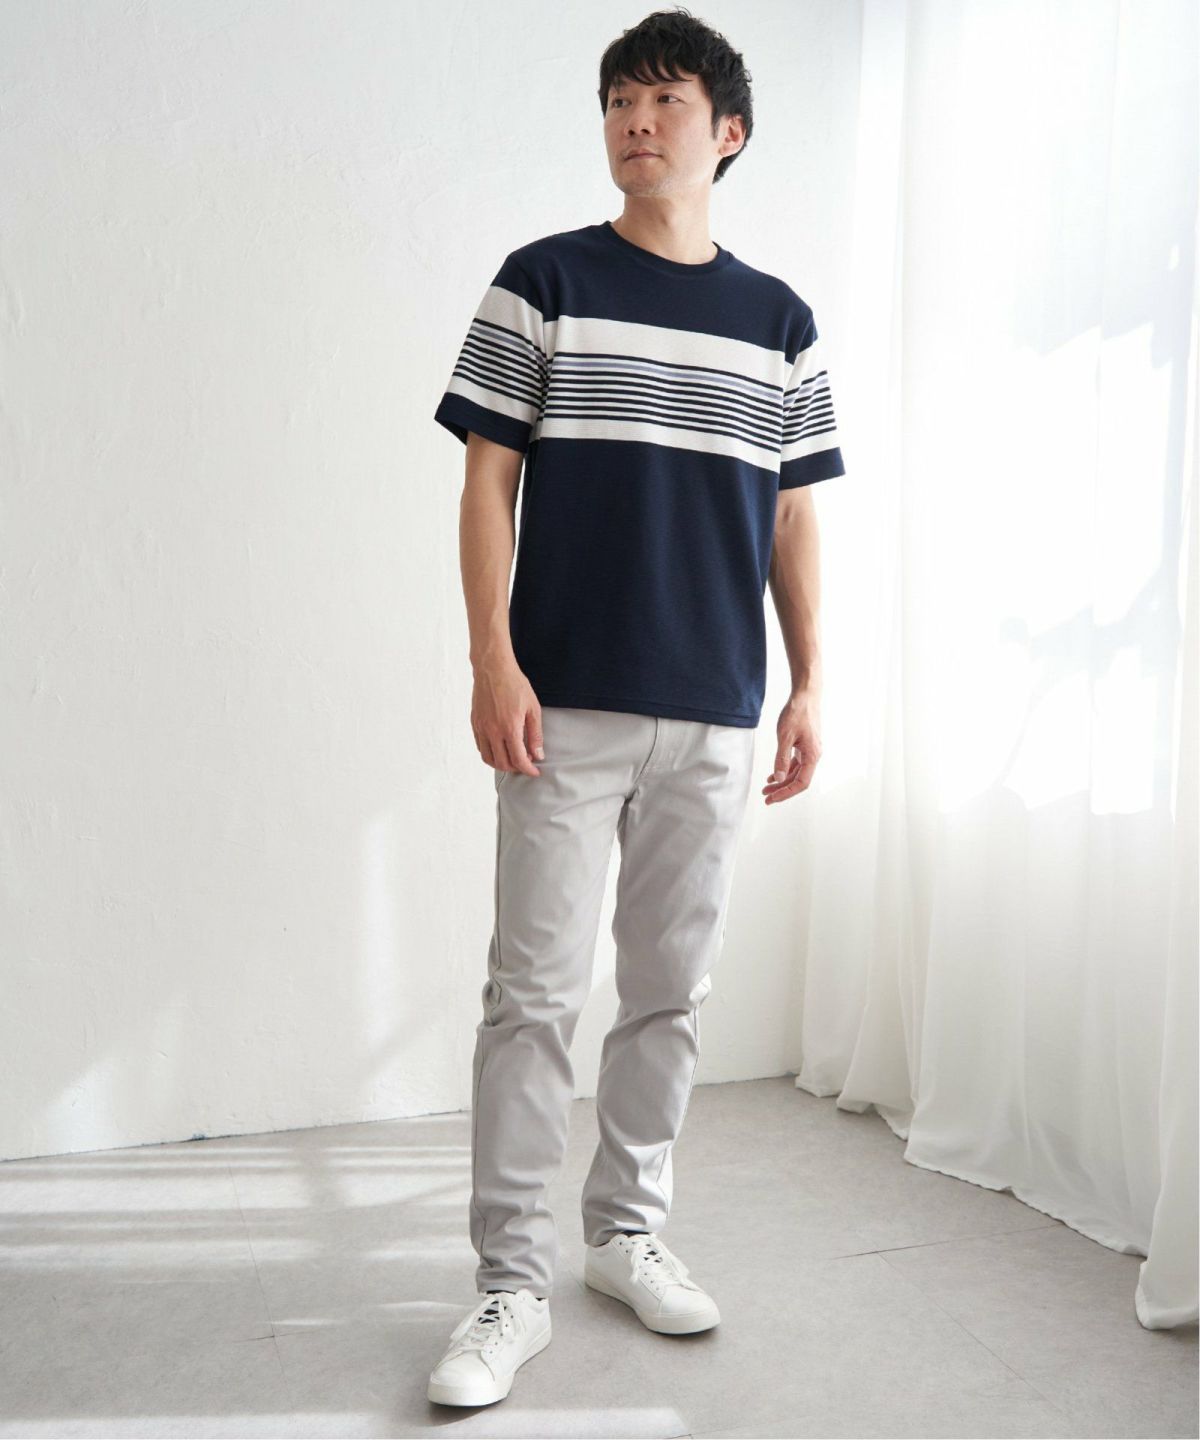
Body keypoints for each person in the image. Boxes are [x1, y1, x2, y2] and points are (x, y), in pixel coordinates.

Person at [426, 5, 846, 1409]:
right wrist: (492, 659)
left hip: (715, 708)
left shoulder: (780, 321)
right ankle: (508, 1282)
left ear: (728, 134)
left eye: (664, 100)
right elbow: (486, 480)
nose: (635, 121)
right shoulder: (541, 281)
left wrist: (810, 681)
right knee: (532, 999)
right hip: (562, 703)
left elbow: (792, 518)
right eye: (618, 100)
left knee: (670, 993)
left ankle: (625, 1236)